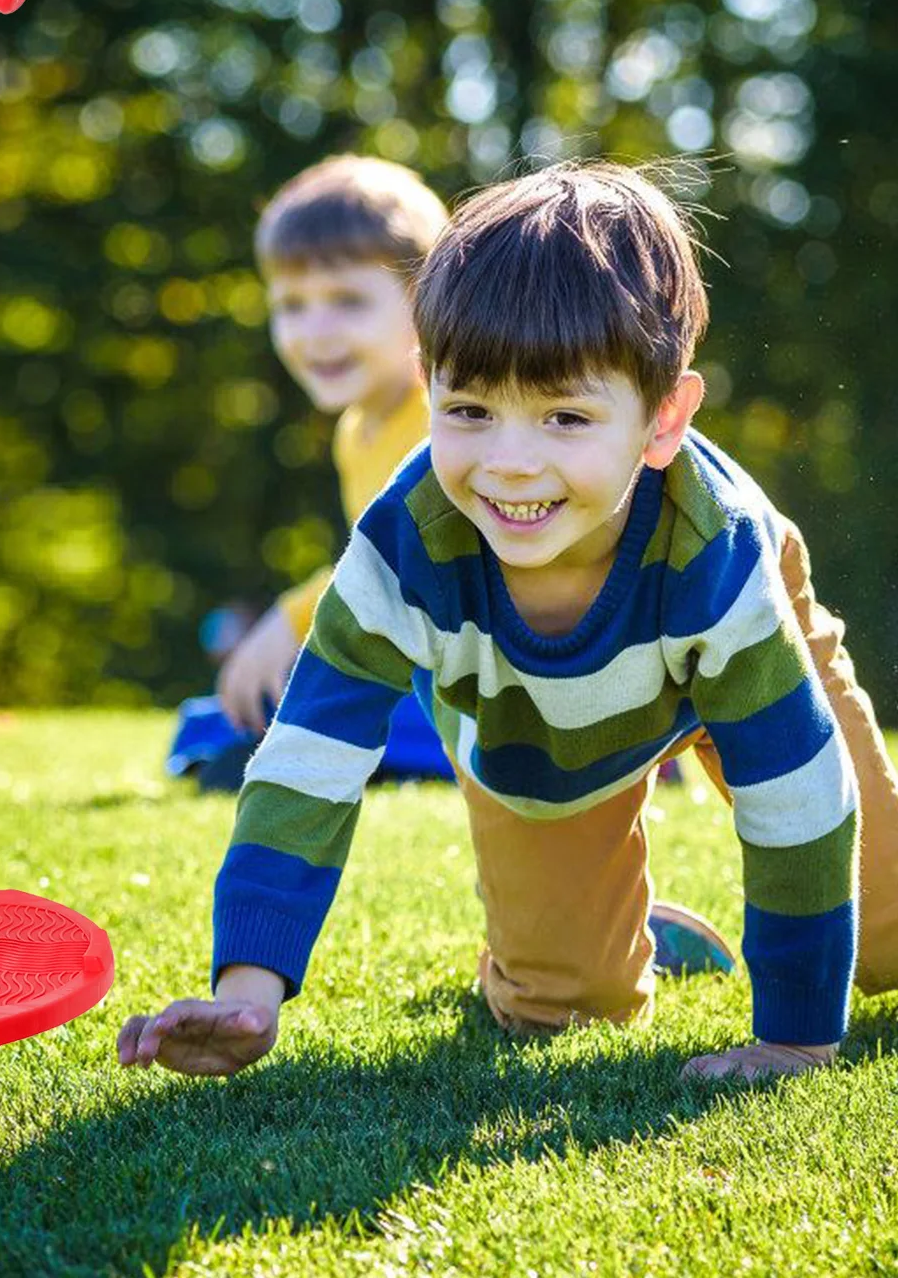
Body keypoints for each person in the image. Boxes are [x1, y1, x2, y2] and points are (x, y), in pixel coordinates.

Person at [121, 161, 898, 1083]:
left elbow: (798, 794)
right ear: (427, 386)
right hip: (538, 719)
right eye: (470, 411)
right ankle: (611, 933)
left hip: (741, 648)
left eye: (565, 416)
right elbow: (308, 759)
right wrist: (247, 989)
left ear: (663, 420)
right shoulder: (405, 542)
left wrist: (797, 1035)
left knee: (887, 930)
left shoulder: (716, 554)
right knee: (562, 1007)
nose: (511, 463)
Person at [215, 156, 446, 747]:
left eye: (347, 300)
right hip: (431, 672)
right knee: (230, 720)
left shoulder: (447, 420)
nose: (316, 332)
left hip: (509, 682)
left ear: (426, 301)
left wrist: (290, 620)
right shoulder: (356, 429)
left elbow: (409, 567)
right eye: (292, 305)